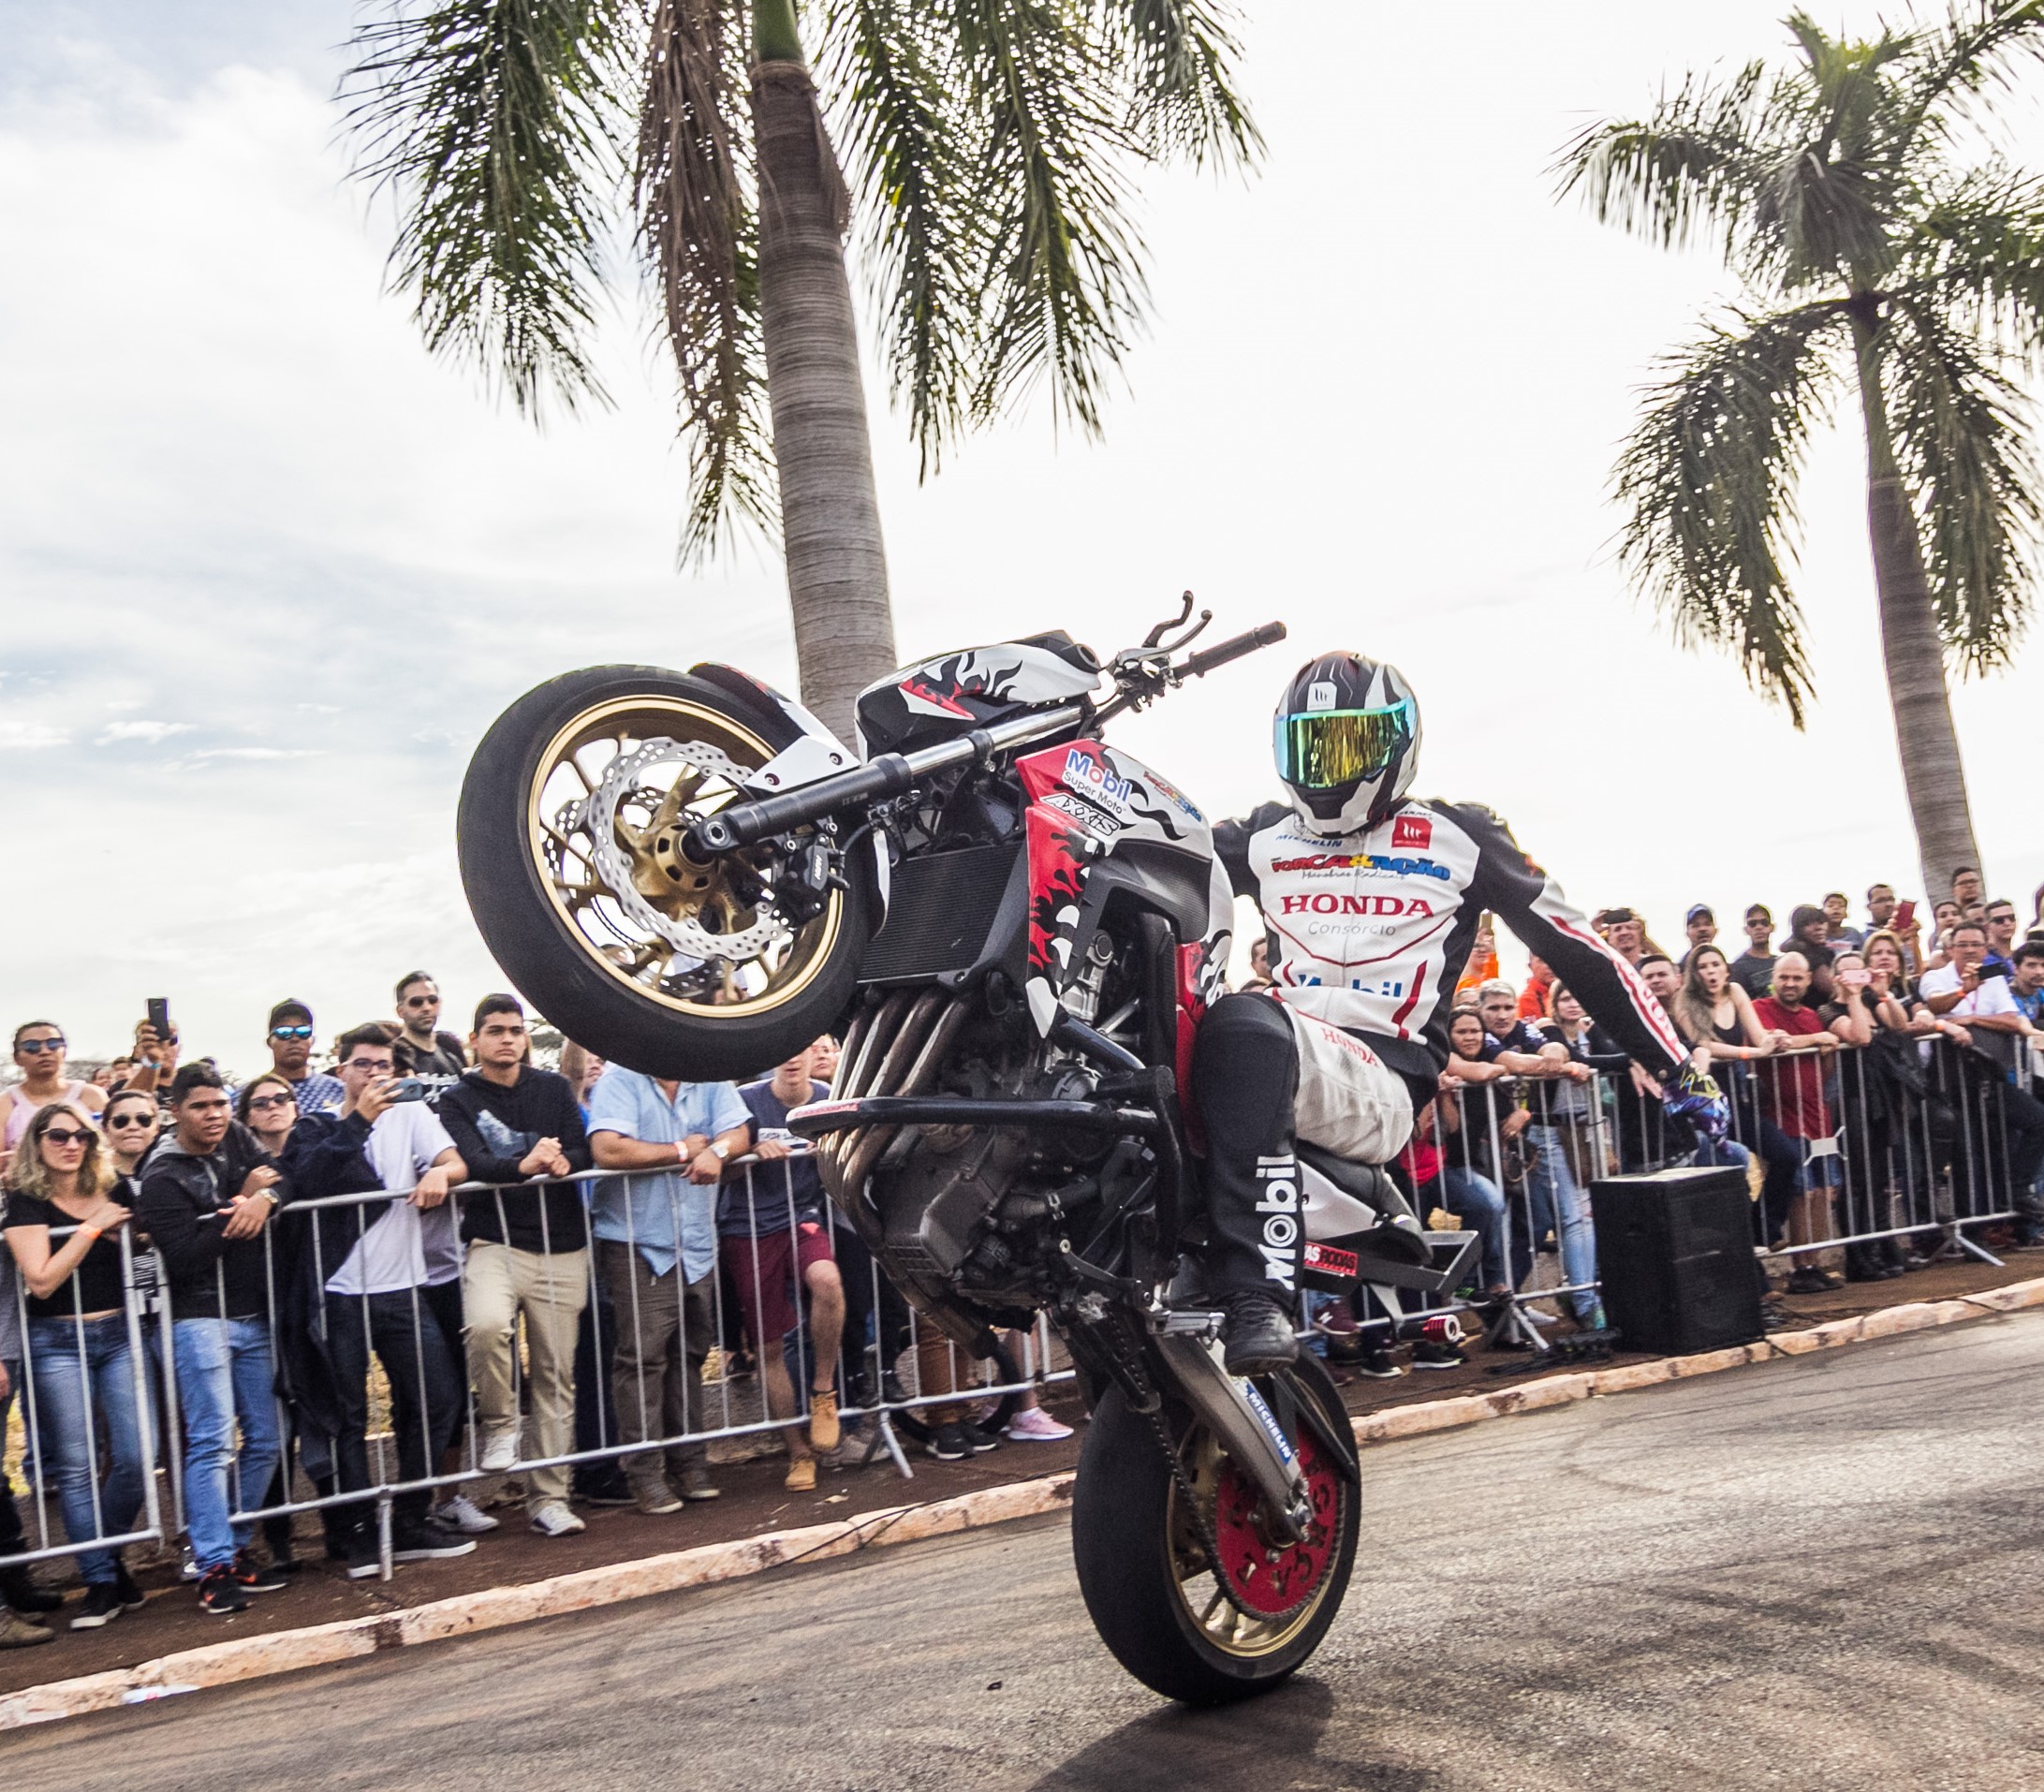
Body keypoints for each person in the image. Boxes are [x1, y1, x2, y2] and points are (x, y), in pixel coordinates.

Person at [1203, 652, 1690, 1370]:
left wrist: (1678, 1069)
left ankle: (1260, 1295)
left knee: (1243, 1024)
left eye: (1350, 744)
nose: (1330, 767)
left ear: (1397, 744)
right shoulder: (1262, 835)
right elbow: (1153, 851)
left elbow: (1580, 949)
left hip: (1384, 1077)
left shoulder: (1460, 834)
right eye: (1314, 745)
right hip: (1278, 1059)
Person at [293, 1023, 475, 1573]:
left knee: (437, 1398)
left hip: (403, 1287)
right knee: (348, 1417)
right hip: (340, 1292)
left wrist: (442, 1175)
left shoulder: (414, 1114)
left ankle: (412, 1517)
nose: (375, 1075)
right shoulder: (318, 1125)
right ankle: (355, 1533)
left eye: (383, 1066)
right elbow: (308, 1179)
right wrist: (360, 1121)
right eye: (363, 1065)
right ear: (341, 1068)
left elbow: (457, 1161)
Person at [134, 1065, 294, 1615]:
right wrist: (239, 1204)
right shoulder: (160, 1177)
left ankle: (226, 1539)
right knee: (211, 1441)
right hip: (197, 1319)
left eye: (222, 1104)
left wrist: (264, 1202)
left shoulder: (240, 1139)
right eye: (201, 1106)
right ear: (175, 1111)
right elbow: (183, 1257)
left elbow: (285, 1177)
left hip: (254, 1315)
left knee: (271, 1436)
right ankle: (213, 1563)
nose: (215, 1115)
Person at [435, 995, 595, 1538]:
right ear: (475, 1039)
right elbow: (471, 1159)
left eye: (515, 1030)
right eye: (495, 1030)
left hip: (562, 1245)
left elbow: (582, 1147)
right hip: (494, 1241)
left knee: (556, 1375)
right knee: (484, 1326)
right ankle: (500, 1425)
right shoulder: (457, 1098)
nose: (507, 1039)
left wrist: (561, 1160)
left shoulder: (551, 1088)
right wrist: (524, 1164)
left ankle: (549, 1498)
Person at [3, 1104, 149, 1629]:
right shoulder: (27, 1200)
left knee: (136, 1456)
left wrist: (132, 1236)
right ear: (36, 1142)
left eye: (82, 1135)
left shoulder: (116, 1189)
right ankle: (101, 1580)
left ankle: (106, 1557)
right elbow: (40, 1280)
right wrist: (91, 1229)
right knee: (77, 1465)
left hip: (119, 1334)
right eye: (57, 1135)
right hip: (55, 1338)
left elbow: (150, 1253)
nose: (71, 1144)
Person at [587, 1060, 750, 1512]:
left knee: (691, 1355)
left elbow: (740, 1133)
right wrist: (681, 1150)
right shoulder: (620, 1079)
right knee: (641, 1359)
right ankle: (645, 1474)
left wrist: (714, 1153)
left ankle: (690, 1463)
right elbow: (608, 1150)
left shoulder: (710, 1075)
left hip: (696, 1241)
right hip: (637, 1241)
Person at [728, 1043, 848, 1481]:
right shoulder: (746, 1100)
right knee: (770, 1346)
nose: (793, 1058)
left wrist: (830, 1154)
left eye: (802, 1049)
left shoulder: (826, 1097)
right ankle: (797, 1451)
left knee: (827, 1280)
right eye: (785, 1050)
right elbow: (719, 1165)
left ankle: (822, 1389)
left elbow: (851, 1155)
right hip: (748, 1226)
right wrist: (748, 1152)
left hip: (803, 1217)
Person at [1919, 921, 2044, 1239]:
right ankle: (1973, 1233)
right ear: (1950, 949)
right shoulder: (1936, 976)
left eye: (1976, 944)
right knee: (1968, 1153)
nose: (1970, 950)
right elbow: (1936, 1007)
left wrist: (1973, 1018)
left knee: (2036, 1120)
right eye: (1963, 945)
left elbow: (2010, 1019)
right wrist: (1964, 991)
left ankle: (2015, 1190)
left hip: (1991, 1075)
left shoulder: (1994, 977)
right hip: (1952, 1080)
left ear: (1985, 949)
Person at [1670, 947, 1801, 1246]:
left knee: (1786, 1156)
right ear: (1694, 973)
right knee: (1731, 1183)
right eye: (1703, 967)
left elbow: (1759, 1034)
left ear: (1725, 969)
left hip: (1736, 1096)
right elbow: (1705, 1045)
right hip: (1706, 1102)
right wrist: (1756, 1052)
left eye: (1716, 964)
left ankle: (1763, 1227)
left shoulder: (1737, 992)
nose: (1711, 972)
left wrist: (1775, 1038)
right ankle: (1751, 1247)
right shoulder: (1685, 1001)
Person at [1751, 954, 1844, 1293]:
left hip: (1817, 1116)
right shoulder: (1759, 1008)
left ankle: (1814, 1263)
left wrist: (1826, 1046)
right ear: (1774, 978)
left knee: (1823, 1193)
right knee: (1800, 1193)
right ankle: (1798, 1267)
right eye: (1784, 977)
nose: (1790, 984)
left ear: (1808, 981)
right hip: (1782, 1117)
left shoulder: (1810, 1016)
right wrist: (1818, 1040)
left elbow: (1825, 1069)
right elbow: (1773, 1042)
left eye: (1797, 978)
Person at [0, 1021, 108, 1176]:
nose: (44, 1051)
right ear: (17, 1058)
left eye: (53, 1044)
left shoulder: (91, 1096)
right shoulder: (6, 1103)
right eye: (32, 1047)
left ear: (64, 1052)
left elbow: (112, 1147)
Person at [264, 1002, 345, 1115]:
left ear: (312, 1040)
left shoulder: (339, 1090)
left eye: (303, 1031)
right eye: (284, 1032)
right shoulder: (250, 1096)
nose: (294, 1039)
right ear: (269, 1042)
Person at [393, 973, 469, 1081]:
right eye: (416, 1002)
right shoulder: (395, 1054)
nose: (426, 1007)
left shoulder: (450, 1046)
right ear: (400, 1011)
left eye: (432, 1000)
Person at [1728, 906, 1779, 999]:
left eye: (1764, 923)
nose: (1759, 927)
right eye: (1753, 924)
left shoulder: (1781, 963)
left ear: (1772, 927)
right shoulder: (1738, 967)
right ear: (1746, 930)